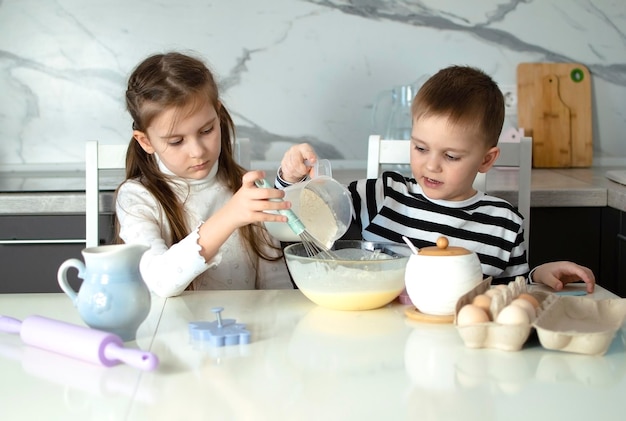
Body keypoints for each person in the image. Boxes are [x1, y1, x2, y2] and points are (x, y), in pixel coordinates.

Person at [275, 65, 595, 293]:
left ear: (486, 160)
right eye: (420, 148)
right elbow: (303, 214)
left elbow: (510, 294)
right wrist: (290, 180)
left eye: (451, 156)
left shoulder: (504, 223)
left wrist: (539, 276)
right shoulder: (384, 195)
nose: (431, 166)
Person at [115, 52, 294, 297]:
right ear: (145, 141)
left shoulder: (247, 190)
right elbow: (159, 281)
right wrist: (231, 215)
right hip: (170, 333)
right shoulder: (137, 197)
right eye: (176, 141)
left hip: (248, 332)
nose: (198, 151)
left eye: (207, 130)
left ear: (218, 116)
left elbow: (276, 287)